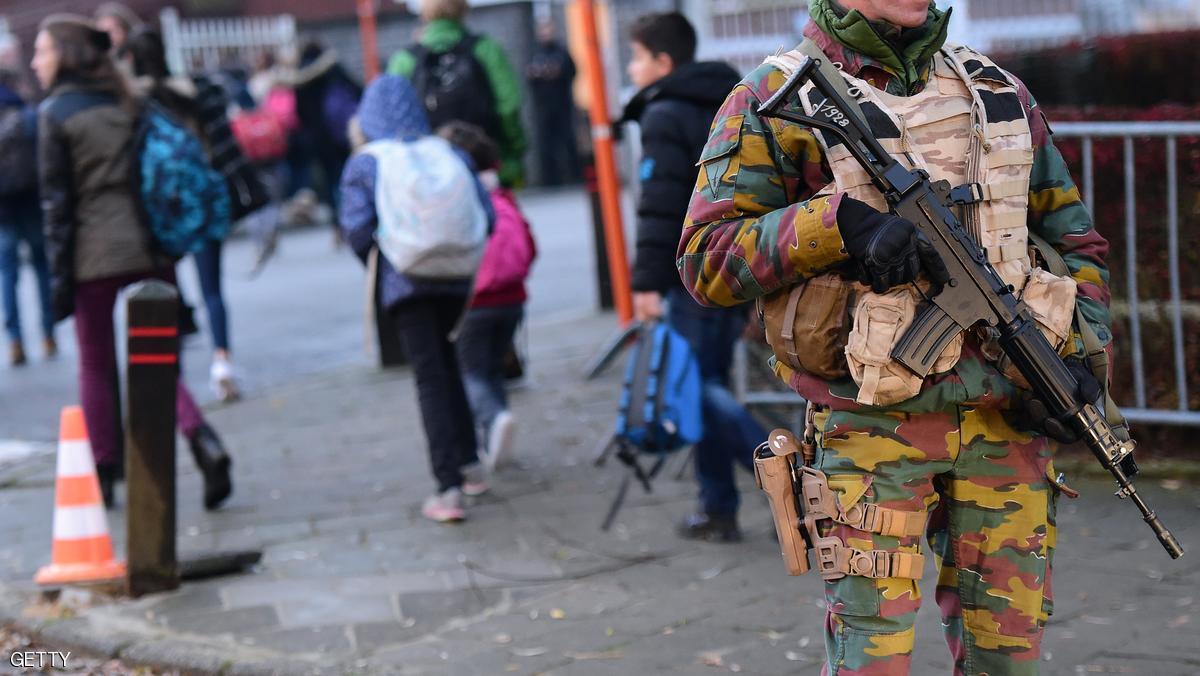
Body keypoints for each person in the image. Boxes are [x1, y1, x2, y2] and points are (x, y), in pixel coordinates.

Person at [679, 0, 1113, 673]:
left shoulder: (996, 92)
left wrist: (1077, 360)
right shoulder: (770, 96)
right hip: (870, 433)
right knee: (871, 662)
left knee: (1010, 662)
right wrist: (837, 226)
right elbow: (705, 258)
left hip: (1005, 425)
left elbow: (1073, 242)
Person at [33, 15, 233, 510]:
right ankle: (202, 439)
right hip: (150, 247)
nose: (36, 61)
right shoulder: (130, 101)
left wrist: (58, 285)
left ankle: (103, 471)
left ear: (67, 54)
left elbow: (57, 208)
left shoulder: (56, 114)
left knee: (96, 365)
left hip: (93, 257)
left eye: (42, 51)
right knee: (159, 357)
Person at [617, 12, 764, 542]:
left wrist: (646, 285)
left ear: (663, 61)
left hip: (690, 274)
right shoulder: (733, 102)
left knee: (695, 387)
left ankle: (782, 480)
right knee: (707, 383)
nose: (631, 69)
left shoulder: (665, 113)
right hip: (736, 266)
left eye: (635, 57)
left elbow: (659, 208)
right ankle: (717, 507)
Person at [338, 76, 494, 523]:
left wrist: (380, 259)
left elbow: (356, 229)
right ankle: (471, 466)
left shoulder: (366, 163)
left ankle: (446, 488)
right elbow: (486, 215)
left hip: (406, 279)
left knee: (430, 376)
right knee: (450, 363)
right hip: (457, 275)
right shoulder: (448, 152)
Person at [126, 28, 269, 402]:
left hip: (161, 209)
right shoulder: (196, 90)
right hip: (204, 200)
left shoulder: (133, 103)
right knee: (212, 290)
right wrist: (252, 193)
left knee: (163, 292)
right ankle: (222, 363)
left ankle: (172, 381)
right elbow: (226, 146)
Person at [438, 121, 537, 472]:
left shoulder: (457, 197)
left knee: (471, 373)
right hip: (513, 300)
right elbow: (529, 244)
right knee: (492, 368)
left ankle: (493, 421)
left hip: (474, 303)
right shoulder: (503, 195)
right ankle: (495, 435)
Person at [387, 0, 527, 188]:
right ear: (464, 9)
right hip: (484, 165)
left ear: (423, 13)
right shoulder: (486, 49)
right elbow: (509, 106)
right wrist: (512, 153)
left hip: (428, 174)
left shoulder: (404, 60)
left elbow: (393, 118)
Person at [0, 68, 55, 367]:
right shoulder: (28, 115)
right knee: (41, 267)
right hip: (32, 204)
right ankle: (48, 333)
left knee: (8, 275)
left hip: (3, 210)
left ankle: (15, 340)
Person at [292, 41, 361, 217]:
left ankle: (337, 219)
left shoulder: (299, 76)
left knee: (329, 179)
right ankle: (349, 213)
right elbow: (357, 90)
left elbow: (298, 111)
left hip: (317, 137)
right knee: (346, 175)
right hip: (341, 132)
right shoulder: (333, 69)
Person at [526, 21, 579, 186]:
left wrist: (556, 74)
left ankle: (574, 176)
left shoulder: (561, 51)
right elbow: (531, 77)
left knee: (568, 139)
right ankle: (551, 179)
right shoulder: (536, 53)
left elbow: (571, 71)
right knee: (546, 142)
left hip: (562, 103)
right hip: (543, 106)